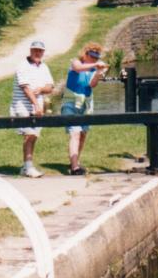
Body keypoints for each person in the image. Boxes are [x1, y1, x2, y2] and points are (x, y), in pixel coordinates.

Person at [61, 42, 108, 175]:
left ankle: (75, 161)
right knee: (74, 133)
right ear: (85, 54)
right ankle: (75, 167)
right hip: (70, 103)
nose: (94, 59)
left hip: (85, 105)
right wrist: (95, 65)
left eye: (96, 57)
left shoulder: (93, 69)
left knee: (82, 135)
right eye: (92, 56)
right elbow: (78, 68)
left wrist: (99, 73)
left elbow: (92, 85)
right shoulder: (76, 62)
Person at [10, 40, 54, 178]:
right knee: (29, 135)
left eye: (40, 51)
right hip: (22, 105)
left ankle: (26, 166)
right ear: (30, 51)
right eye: (35, 50)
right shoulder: (22, 66)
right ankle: (28, 167)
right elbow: (26, 89)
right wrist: (36, 104)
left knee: (34, 136)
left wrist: (41, 89)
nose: (37, 53)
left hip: (38, 106)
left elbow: (50, 87)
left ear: (43, 53)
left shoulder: (44, 67)